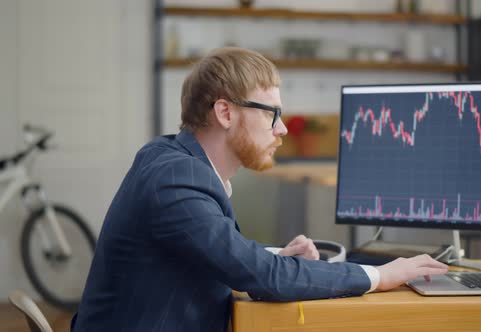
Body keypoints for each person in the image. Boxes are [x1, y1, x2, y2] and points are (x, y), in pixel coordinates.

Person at [71, 47, 448, 331]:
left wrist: (276, 260)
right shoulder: (176, 178)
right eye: (272, 114)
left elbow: (216, 259)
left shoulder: (171, 158)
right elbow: (261, 275)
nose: (282, 129)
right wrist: (381, 275)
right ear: (225, 113)